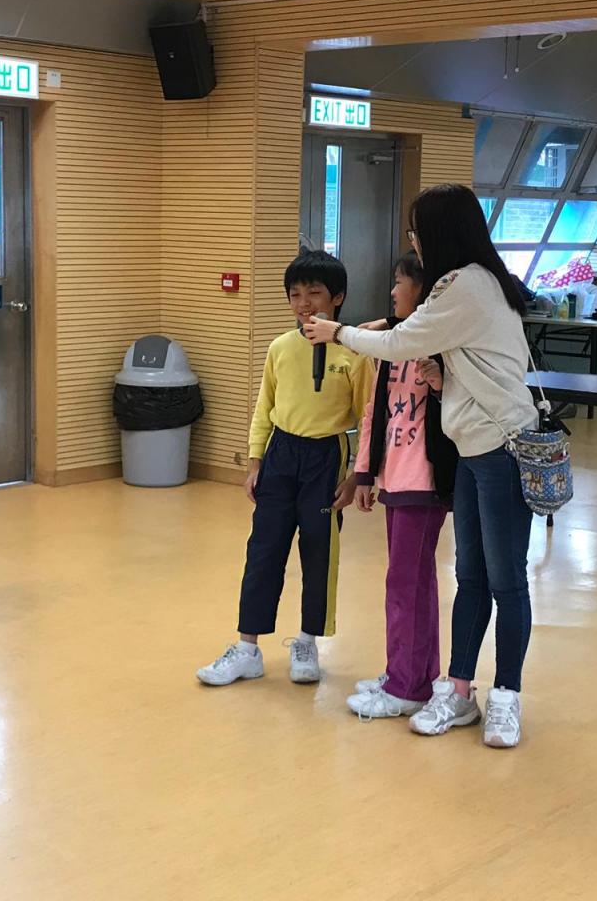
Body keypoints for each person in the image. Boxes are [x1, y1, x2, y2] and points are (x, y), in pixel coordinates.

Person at [302, 184, 539, 749]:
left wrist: (338, 332)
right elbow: (435, 343)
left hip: (504, 449)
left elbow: (403, 340)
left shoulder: (467, 284)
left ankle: (506, 695)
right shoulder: (471, 283)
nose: (413, 242)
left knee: (506, 580)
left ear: (439, 233)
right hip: (475, 452)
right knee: (471, 576)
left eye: (416, 232)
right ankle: (458, 691)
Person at [197, 249, 373, 687]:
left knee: (319, 551)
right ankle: (247, 648)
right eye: (295, 294)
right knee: (263, 550)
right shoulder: (279, 348)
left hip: (326, 456)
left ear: (338, 297)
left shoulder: (354, 354)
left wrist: (358, 474)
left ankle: (307, 641)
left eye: (314, 293)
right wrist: (255, 459)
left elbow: (368, 417)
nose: (304, 303)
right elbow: (264, 407)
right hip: (281, 453)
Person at [346, 253, 459, 720]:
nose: (393, 291)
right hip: (393, 475)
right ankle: (414, 675)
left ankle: (406, 685)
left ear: (424, 290)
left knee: (406, 584)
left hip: (424, 481)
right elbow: (374, 413)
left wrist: (441, 385)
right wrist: (365, 473)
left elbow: (462, 406)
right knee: (411, 581)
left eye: (400, 282)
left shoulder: (444, 345)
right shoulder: (392, 346)